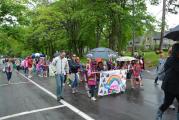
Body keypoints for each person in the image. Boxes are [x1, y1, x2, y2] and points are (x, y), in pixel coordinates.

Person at [156, 43, 179, 120]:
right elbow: (166, 69)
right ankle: (159, 114)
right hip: (169, 86)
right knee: (167, 103)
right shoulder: (171, 59)